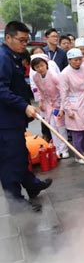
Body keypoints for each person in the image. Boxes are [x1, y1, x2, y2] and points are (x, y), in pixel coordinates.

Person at [0, 21, 52, 211]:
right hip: (4, 123)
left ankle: (32, 185)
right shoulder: (2, 58)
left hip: (14, 120)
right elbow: (1, 90)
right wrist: (24, 106)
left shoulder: (13, 56)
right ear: (8, 38)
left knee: (21, 156)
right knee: (9, 163)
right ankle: (17, 204)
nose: (24, 44)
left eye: (26, 41)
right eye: (21, 40)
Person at [60, 48, 84, 164]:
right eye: (75, 60)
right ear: (69, 60)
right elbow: (63, 94)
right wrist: (68, 110)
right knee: (77, 132)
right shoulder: (64, 74)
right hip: (73, 103)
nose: (78, 62)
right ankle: (78, 155)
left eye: (80, 59)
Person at [31, 54, 69, 159]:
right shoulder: (36, 77)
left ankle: (64, 149)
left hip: (58, 102)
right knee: (52, 127)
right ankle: (57, 149)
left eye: (42, 65)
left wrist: (62, 108)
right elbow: (39, 90)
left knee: (60, 127)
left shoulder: (53, 76)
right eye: (37, 67)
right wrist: (41, 102)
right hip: (48, 104)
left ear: (46, 65)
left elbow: (63, 91)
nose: (40, 68)